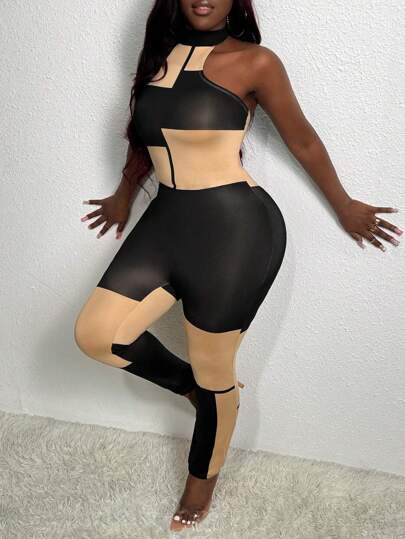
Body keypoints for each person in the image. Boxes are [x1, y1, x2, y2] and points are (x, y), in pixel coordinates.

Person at [73, 0, 402, 532]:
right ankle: (203, 395)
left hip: (237, 231)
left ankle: (200, 482)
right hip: (164, 225)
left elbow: (302, 139)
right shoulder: (158, 55)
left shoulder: (256, 62)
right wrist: (122, 196)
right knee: (96, 335)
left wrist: (345, 206)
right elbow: (145, 138)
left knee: (215, 367)